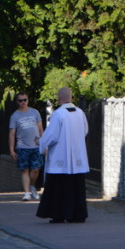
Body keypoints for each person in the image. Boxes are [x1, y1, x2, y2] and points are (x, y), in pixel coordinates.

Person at [36, 87, 90, 223]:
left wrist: (41, 144)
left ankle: (58, 214)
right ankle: (77, 214)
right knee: (76, 187)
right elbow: (85, 131)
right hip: (77, 158)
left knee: (58, 188)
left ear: (59, 99)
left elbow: (52, 135)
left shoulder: (58, 114)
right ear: (71, 98)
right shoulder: (80, 113)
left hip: (61, 158)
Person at [9, 92, 44, 201]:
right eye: (20, 100)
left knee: (36, 169)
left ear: (28, 100)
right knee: (25, 170)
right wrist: (11, 149)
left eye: (25, 100)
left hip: (36, 146)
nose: (23, 102)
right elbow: (12, 133)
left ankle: (32, 186)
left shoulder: (35, 112)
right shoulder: (15, 116)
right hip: (22, 146)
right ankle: (27, 192)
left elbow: (40, 129)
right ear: (17, 102)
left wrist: (43, 144)